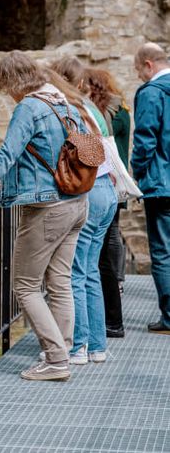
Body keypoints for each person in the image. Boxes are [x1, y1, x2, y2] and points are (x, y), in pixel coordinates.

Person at [0, 51, 88, 381]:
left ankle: (56, 360)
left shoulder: (29, 106)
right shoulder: (64, 102)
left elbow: (7, 153)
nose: (7, 95)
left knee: (25, 286)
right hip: (76, 201)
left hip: (47, 206)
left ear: (11, 82)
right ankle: (62, 350)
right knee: (59, 282)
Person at [50, 58, 118, 364]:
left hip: (87, 192)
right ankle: (97, 345)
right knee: (90, 271)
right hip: (107, 190)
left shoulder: (69, 110)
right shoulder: (95, 111)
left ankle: (77, 346)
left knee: (75, 273)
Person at [85, 67, 131, 339]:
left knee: (104, 252)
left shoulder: (110, 113)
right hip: (113, 183)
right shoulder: (120, 108)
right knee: (108, 245)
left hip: (108, 182)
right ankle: (111, 318)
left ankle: (112, 320)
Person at [131, 42, 170, 334]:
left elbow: (145, 139)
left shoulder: (152, 94)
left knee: (163, 251)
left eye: (139, 71)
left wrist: (135, 175)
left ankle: (169, 317)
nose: (140, 78)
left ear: (148, 64)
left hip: (162, 183)